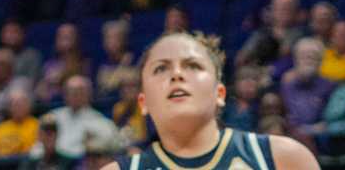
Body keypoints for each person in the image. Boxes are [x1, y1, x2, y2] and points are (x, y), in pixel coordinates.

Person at [98, 33, 317, 170]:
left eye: (193, 66)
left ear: (219, 93)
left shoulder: (285, 157)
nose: (176, 75)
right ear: (143, 102)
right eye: (161, 68)